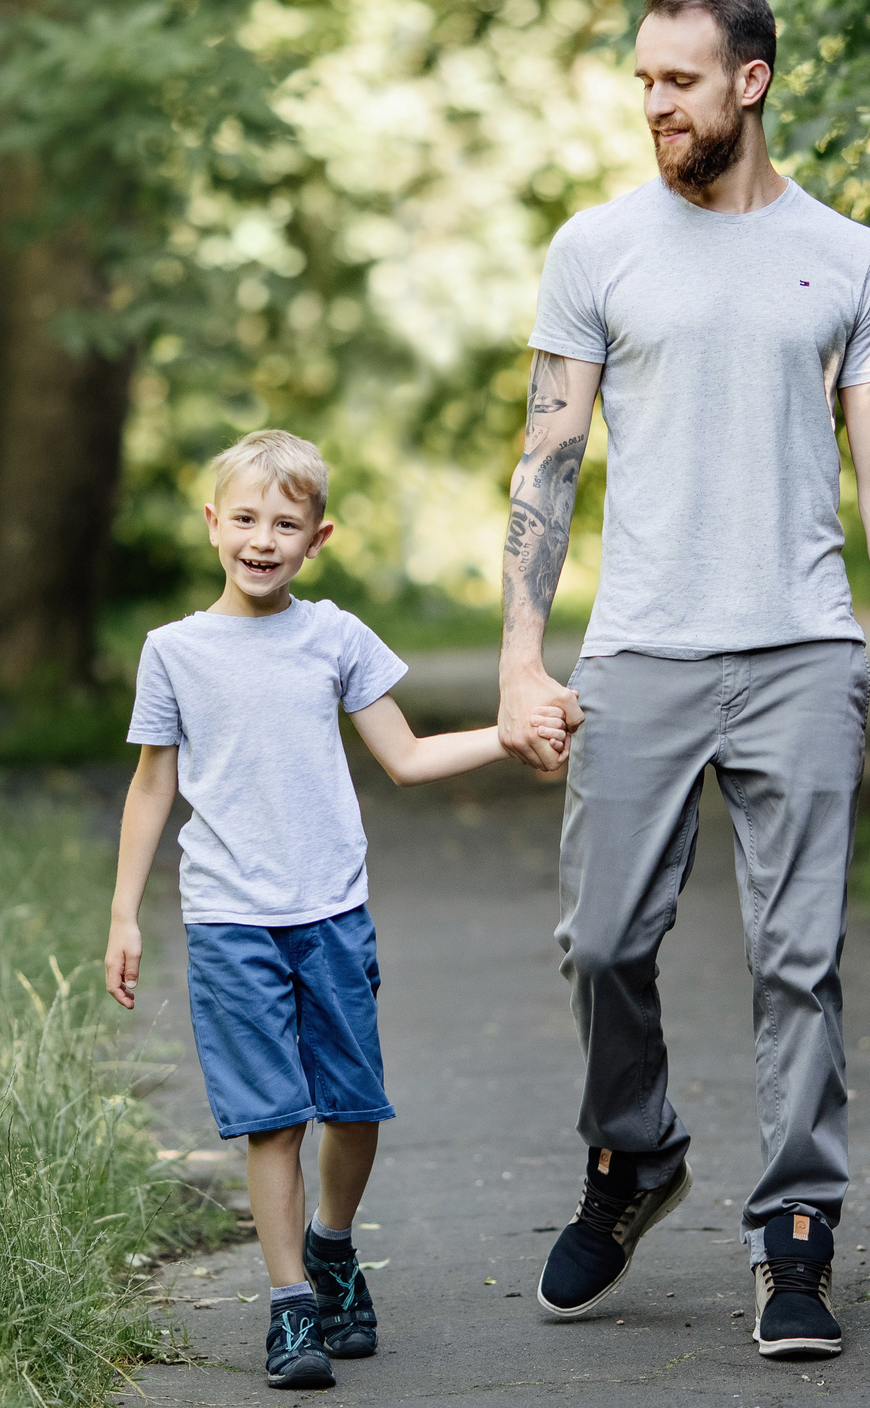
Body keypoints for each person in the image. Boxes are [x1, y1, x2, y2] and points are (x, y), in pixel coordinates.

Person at [497, 0, 870, 1361]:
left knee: (800, 959)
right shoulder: (595, 248)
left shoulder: (851, 255)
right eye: (642, 79)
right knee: (602, 940)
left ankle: (796, 1232)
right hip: (639, 645)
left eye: (678, 79)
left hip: (804, 647)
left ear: (749, 82)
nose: (654, 103)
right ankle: (633, 1153)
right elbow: (548, 460)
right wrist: (524, 654)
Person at [106, 428, 578, 1390]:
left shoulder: (335, 636)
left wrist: (505, 733)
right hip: (229, 920)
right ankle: (289, 1311)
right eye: (245, 518)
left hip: (330, 913)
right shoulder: (174, 652)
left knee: (353, 1110)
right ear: (212, 525)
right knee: (271, 1120)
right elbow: (153, 786)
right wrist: (123, 913)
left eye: (286, 523)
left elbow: (404, 758)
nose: (262, 539)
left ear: (318, 537)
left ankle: (331, 1245)